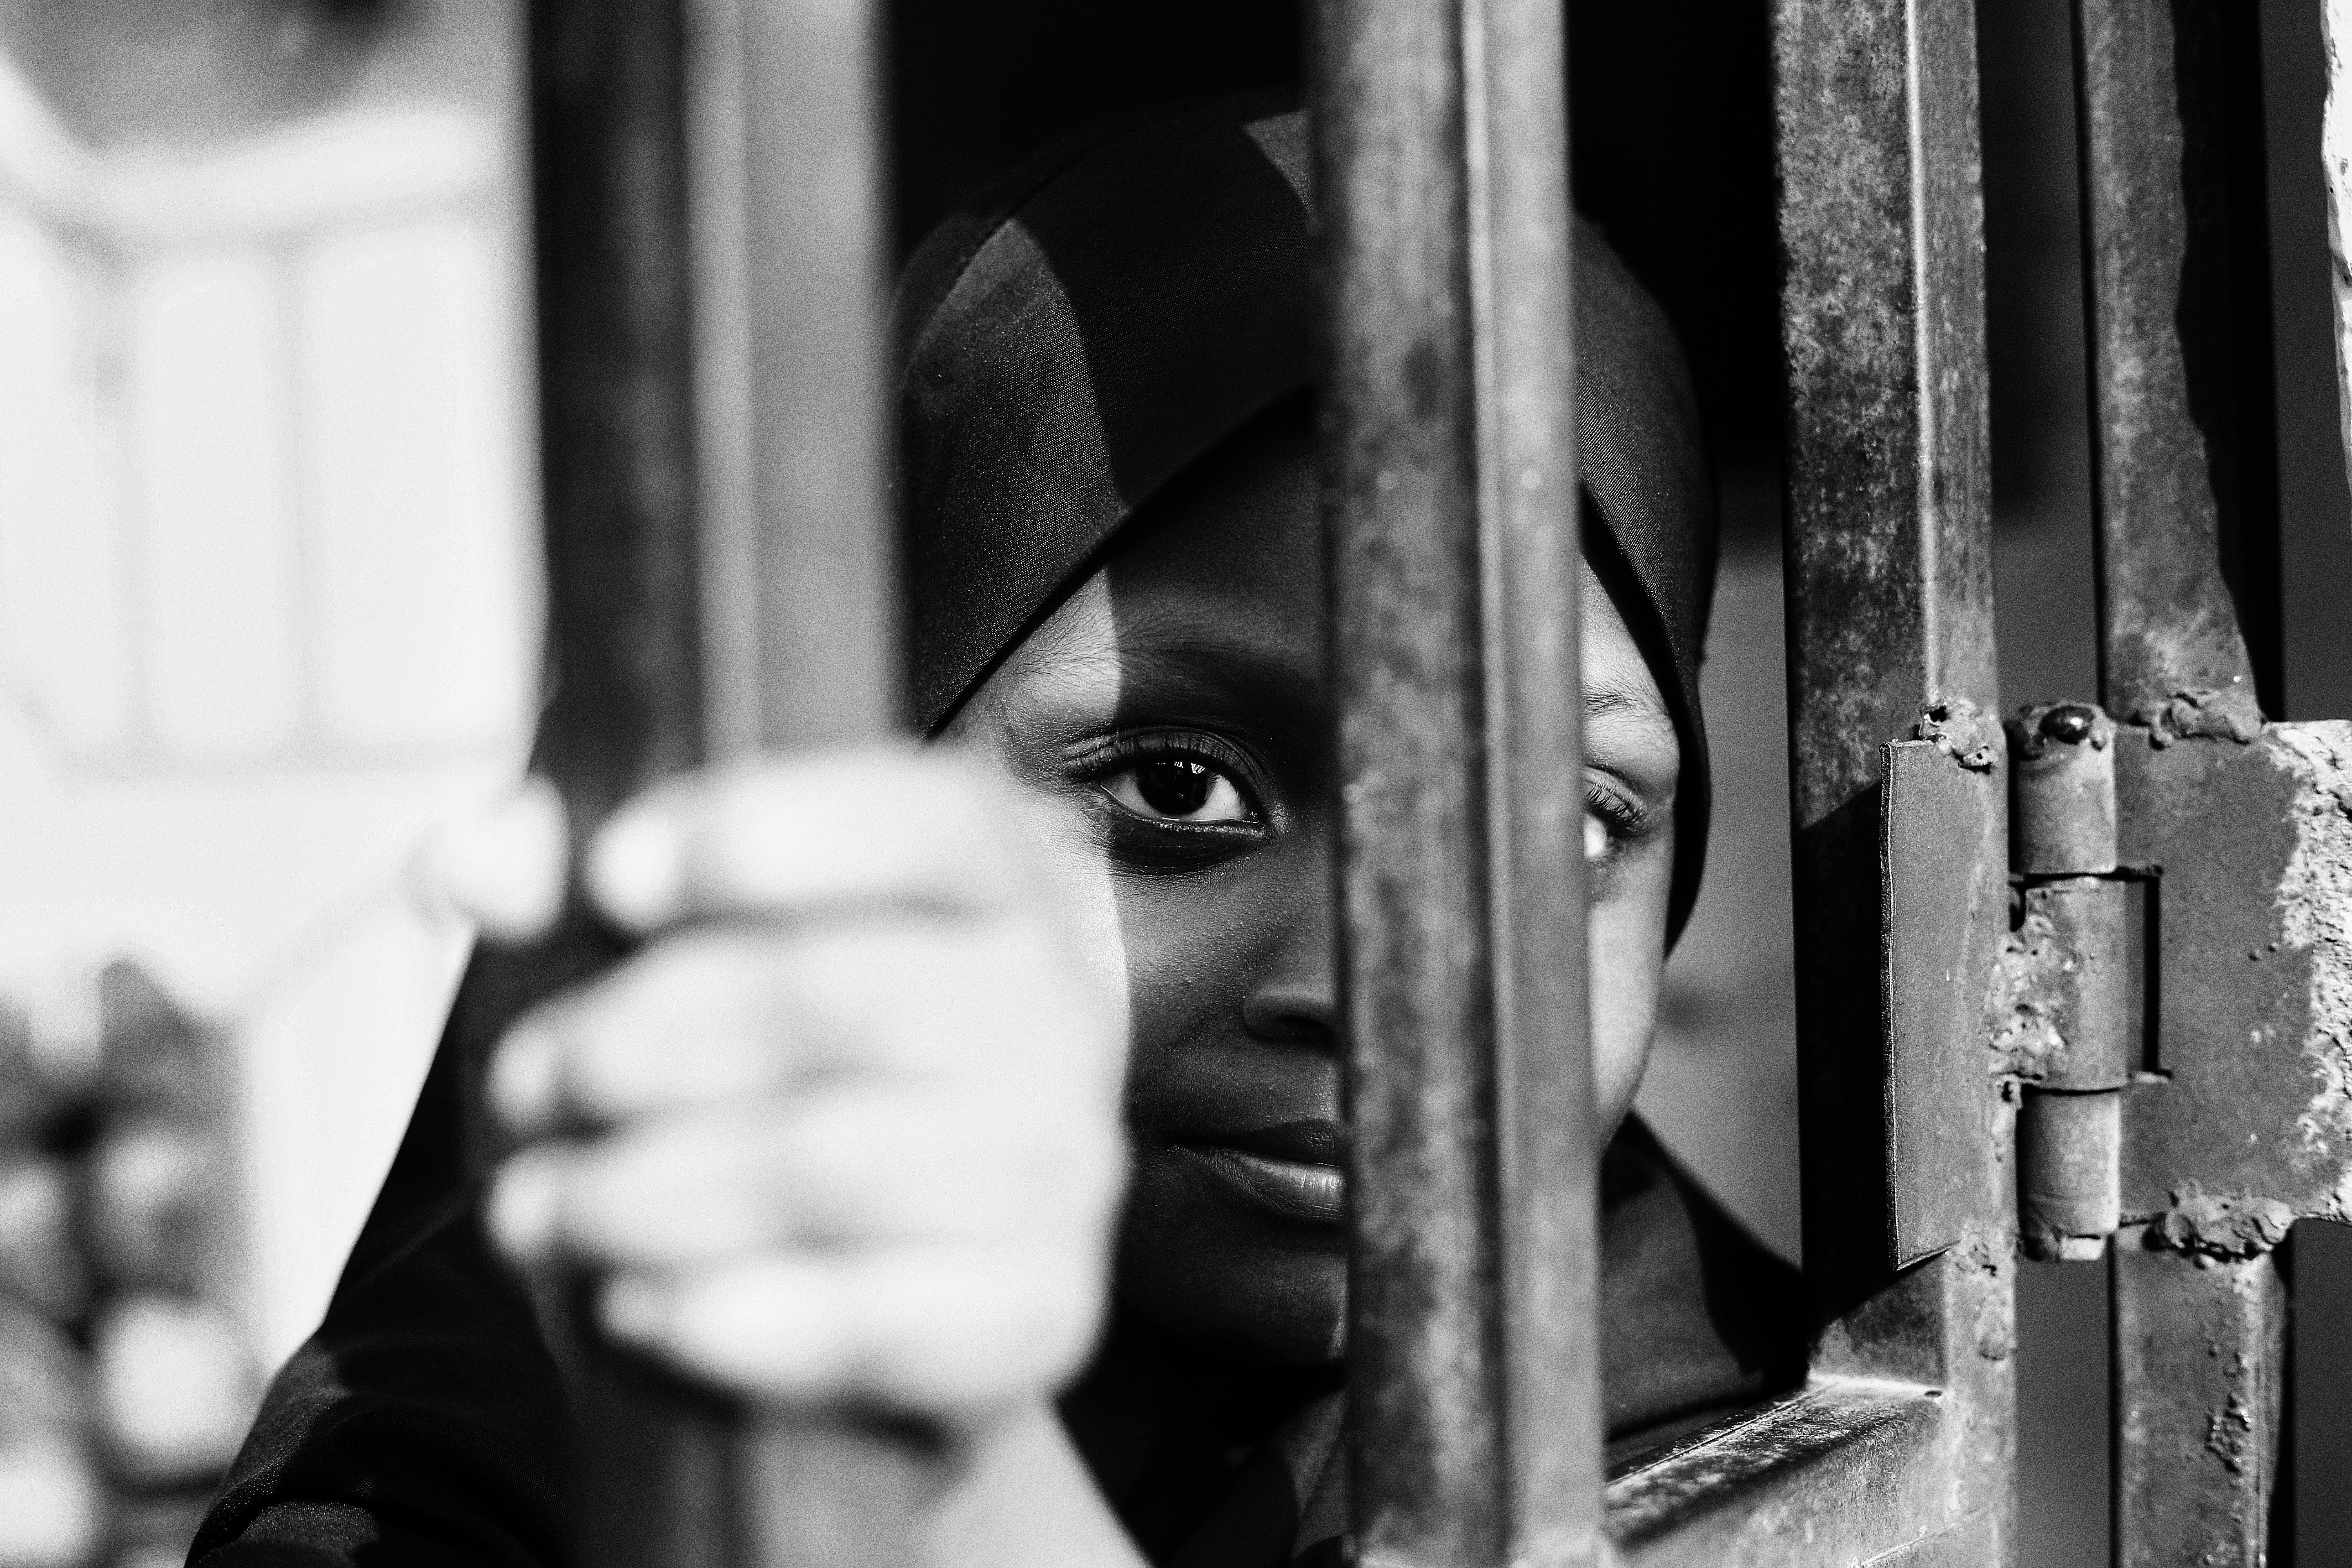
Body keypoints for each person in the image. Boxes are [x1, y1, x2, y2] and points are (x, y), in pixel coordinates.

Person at [189, 101, 1800, 1568]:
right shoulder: (444, 1504)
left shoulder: (1796, 1469)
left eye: (1554, 825)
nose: (1379, 990)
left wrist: (964, 1492)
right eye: (1181, 790)